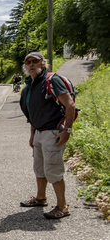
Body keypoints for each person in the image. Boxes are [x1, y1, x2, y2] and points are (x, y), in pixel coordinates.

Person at [19, 52, 76, 219]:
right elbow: (32, 113)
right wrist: (32, 134)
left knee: (53, 170)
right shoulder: (30, 85)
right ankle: (41, 198)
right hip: (38, 132)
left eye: (34, 61)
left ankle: (62, 206)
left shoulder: (52, 80)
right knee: (39, 168)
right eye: (28, 62)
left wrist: (67, 130)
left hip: (52, 132)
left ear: (43, 63)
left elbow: (70, 105)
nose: (31, 64)